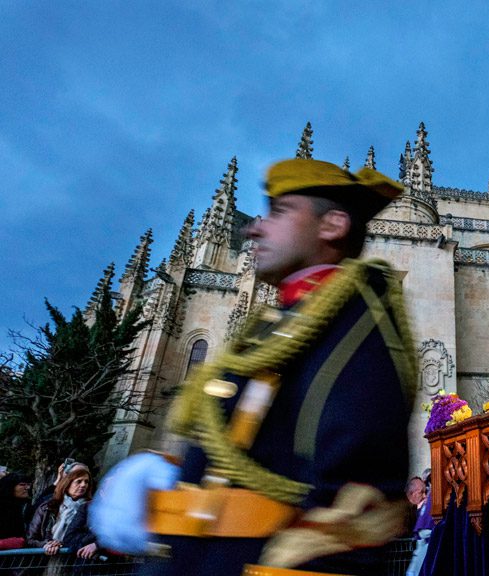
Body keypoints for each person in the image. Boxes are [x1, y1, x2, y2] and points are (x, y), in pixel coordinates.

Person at [91, 158, 417, 576]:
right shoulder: (283, 323)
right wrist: (169, 488)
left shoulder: (356, 321)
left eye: (280, 213)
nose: (254, 228)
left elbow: (356, 506)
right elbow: (253, 457)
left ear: (333, 226)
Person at [26, 466, 99, 560]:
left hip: (74, 558)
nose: (83, 485)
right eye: (79, 481)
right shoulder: (48, 507)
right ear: (67, 483)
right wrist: (47, 544)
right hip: (43, 560)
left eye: (86, 482)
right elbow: (30, 538)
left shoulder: (92, 509)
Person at [0, 472, 32, 549]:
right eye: (22, 485)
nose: (27, 487)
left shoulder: (25, 506)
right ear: (10, 487)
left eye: (28, 484)